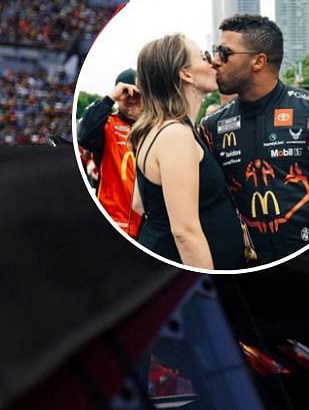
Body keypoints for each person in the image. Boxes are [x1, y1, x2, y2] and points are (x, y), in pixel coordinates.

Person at [200, 14, 309, 265]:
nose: (215, 61)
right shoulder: (212, 127)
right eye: (215, 51)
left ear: (259, 61)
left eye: (224, 52)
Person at [128, 35, 246, 270]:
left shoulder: (164, 128)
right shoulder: (175, 135)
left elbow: (139, 204)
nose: (212, 61)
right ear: (186, 74)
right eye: (204, 56)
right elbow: (184, 232)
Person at [77, 68, 144, 237]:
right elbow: (84, 136)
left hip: (148, 227)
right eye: (126, 94)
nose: (132, 99)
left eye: (138, 94)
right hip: (114, 222)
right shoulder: (107, 126)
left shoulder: (155, 128)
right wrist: (109, 99)